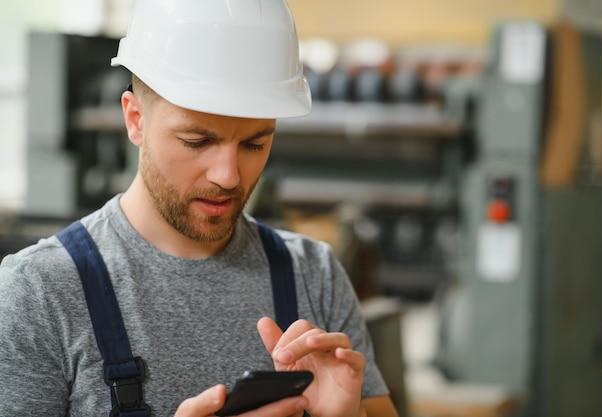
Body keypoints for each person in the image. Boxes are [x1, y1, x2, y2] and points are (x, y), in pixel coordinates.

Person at [0, 0, 399, 416]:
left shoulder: (313, 274)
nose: (228, 175)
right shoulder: (38, 294)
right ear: (135, 119)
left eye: (255, 143)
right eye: (197, 141)